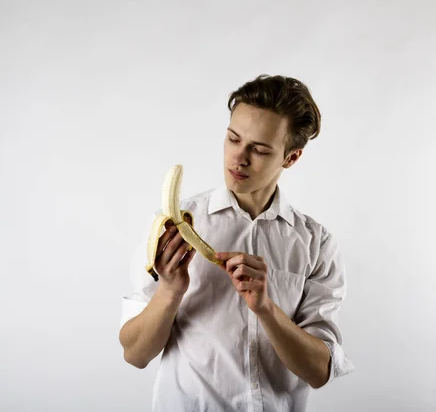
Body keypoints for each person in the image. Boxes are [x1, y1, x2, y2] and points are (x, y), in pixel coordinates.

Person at [118, 74, 354, 411]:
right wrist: (170, 289)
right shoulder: (174, 226)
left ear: (291, 158)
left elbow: (319, 372)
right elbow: (135, 354)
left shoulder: (316, 244)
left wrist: (266, 309)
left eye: (259, 149)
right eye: (233, 139)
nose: (239, 158)